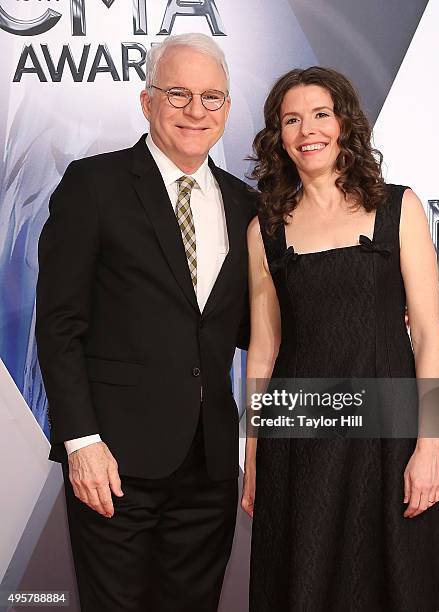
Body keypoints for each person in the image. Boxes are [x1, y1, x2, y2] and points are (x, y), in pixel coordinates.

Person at [35, 33, 256, 611]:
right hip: (113, 462)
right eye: (178, 93)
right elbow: (58, 325)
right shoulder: (94, 185)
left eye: (212, 98)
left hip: (209, 466)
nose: (195, 111)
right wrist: (81, 441)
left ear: (227, 110)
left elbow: (252, 329)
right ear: (146, 100)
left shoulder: (246, 204)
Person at [242, 67, 439, 611]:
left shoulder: (400, 208)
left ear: (345, 123)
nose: (308, 131)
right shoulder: (266, 231)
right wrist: (253, 457)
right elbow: (263, 350)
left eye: (320, 114)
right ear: (279, 136)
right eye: (291, 120)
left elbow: (427, 333)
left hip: (387, 440)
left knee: (393, 591)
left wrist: (429, 446)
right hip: (299, 442)